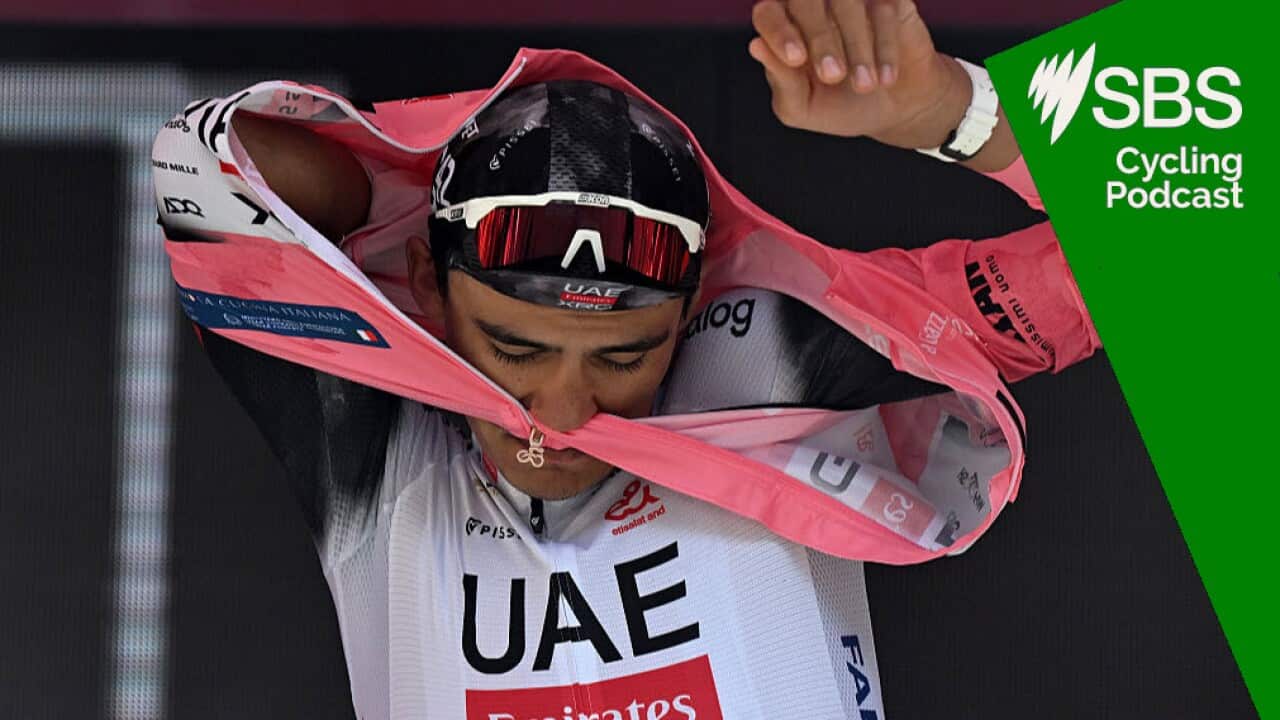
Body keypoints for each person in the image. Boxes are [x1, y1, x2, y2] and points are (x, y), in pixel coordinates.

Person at [151, 1, 1098, 717]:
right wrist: (413, 201)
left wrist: (952, 111)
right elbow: (203, 166)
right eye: (514, 348)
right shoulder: (376, 435)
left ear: (690, 314)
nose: (562, 410)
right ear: (428, 292)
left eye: (624, 356)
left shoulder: (768, 358)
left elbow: (1202, 230)